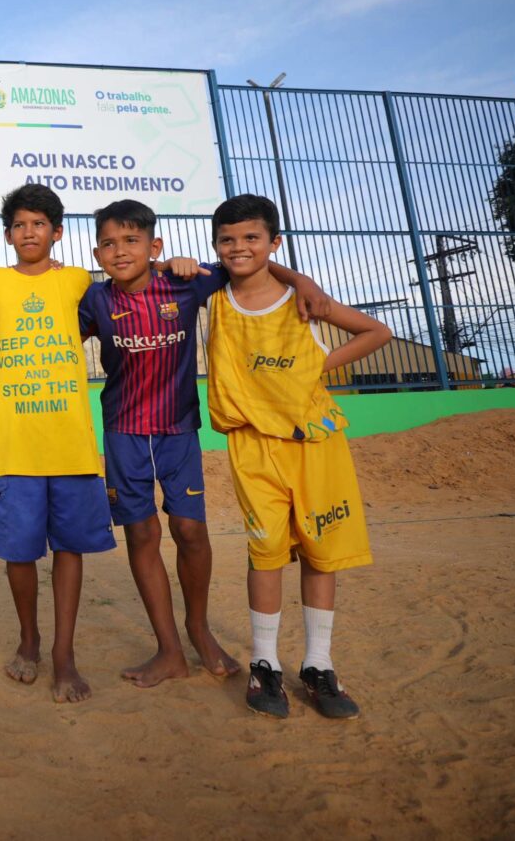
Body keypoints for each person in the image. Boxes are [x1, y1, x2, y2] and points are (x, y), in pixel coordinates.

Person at [79, 199, 329, 689]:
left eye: (131, 241)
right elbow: (43, 330)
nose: (119, 250)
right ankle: (168, 649)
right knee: (142, 535)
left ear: (155, 247)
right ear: (97, 252)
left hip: (178, 432)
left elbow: (247, 261)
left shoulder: (185, 280)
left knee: (191, 531)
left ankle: (199, 629)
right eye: (109, 243)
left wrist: (303, 281)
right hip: (123, 433)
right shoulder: (94, 300)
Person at [206, 194, 390, 720]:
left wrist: (316, 366)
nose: (239, 247)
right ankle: (265, 663)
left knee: (319, 552)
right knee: (264, 554)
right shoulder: (215, 294)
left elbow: (377, 332)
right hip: (252, 446)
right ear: (216, 245)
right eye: (228, 239)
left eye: (252, 238)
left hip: (314, 443)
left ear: (273, 242)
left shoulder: (303, 301)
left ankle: (317, 664)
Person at [0, 184, 111, 703]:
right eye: (19, 225)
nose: (29, 232)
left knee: (70, 549)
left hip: (70, 445)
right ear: (7, 234)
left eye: (39, 223)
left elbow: (129, 288)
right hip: (13, 447)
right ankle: (29, 640)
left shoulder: (77, 281)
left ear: (57, 230)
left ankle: (63, 654)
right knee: (21, 552)